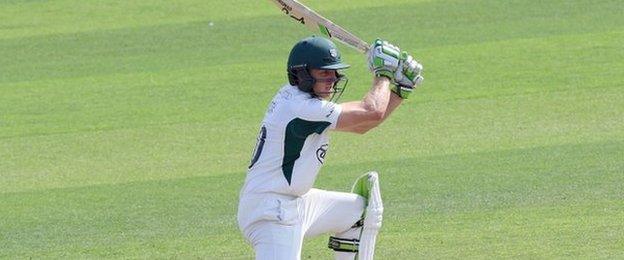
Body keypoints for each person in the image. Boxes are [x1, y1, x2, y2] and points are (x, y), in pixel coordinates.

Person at [237, 36, 423, 260]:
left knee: (357, 212)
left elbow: (362, 126)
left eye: (334, 72)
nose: (332, 79)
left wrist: (401, 89)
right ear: (302, 74)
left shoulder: (302, 99)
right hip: (270, 214)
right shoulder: (301, 107)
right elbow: (371, 111)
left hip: (297, 203)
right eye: (324, 72)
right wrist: (383, 74)